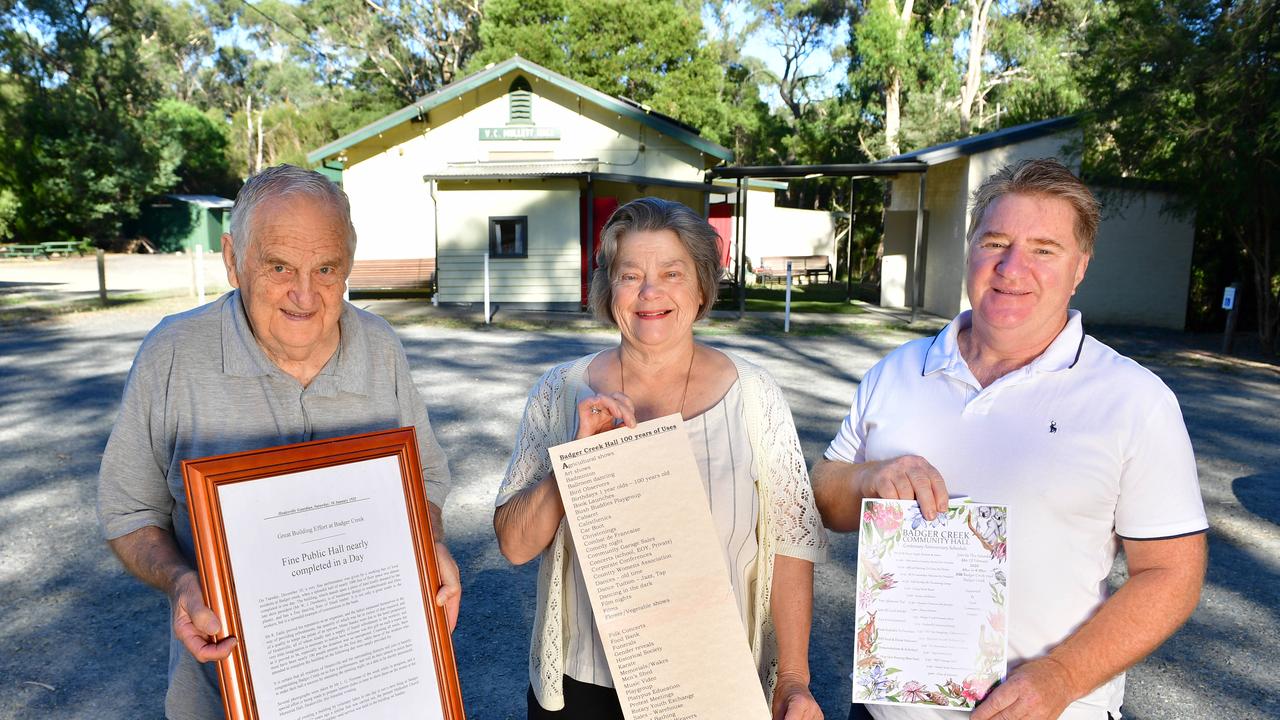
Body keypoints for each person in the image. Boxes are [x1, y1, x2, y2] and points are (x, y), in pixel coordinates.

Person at [814, 158, 1208, 720]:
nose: (1012, 267)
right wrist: (868, 479)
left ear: (1080, 268)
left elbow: (1171, 575)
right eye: (995, 241)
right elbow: (826, 495)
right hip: (886, 709)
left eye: (1044, 249)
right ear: (971, 249)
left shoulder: (1133, 400)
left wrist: (1063, 675)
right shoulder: (896, 372)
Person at [97, 164, 460, 720]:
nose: (305, 294)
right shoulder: (173, 355)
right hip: (222, 694)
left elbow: (425, 479)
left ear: (347, 268)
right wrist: (180, 582)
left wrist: (426, 542)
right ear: (231, 260)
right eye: (279, 266)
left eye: (327, 268)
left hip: (375, 682)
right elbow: (128, 510)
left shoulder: (381, 347)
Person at [494, 197, 828, 720]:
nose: (650, 293)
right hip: (586, 687)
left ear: (701, 286)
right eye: (631, 275)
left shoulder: (755, 396)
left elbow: (791, 546)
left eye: (672, 272)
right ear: (609, 290)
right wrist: (573, 464)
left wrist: (793, 679)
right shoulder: (558, 392)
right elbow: (514, 546)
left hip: (711, 684)